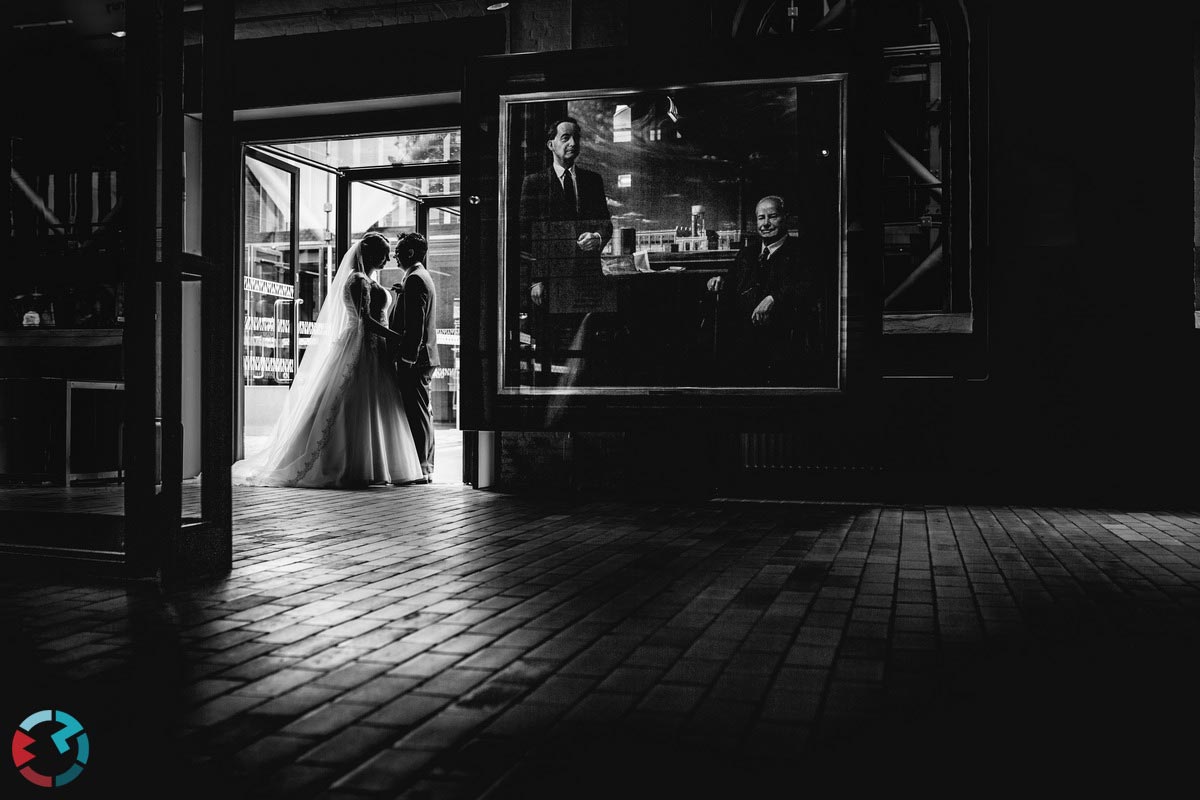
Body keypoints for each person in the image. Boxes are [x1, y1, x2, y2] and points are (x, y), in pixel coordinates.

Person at [231, 232, 423, 488]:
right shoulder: (357, 281)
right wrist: (395, 336)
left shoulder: (368, 281)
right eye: (383, 253)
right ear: (370, 254)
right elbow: (365, 320)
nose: (388, 258)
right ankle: (350, 463)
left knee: (375, 405)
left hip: (376, 350)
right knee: (355, 403)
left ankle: (378, 464)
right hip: (361, 347)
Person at [519, 116, 614, 383]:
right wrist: (536, 278)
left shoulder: (592, 181)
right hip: (550, 285)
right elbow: (525, 235)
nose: (572, 143)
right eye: (565, 138)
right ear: (551, 144)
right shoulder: (535, 183)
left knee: (585, 352)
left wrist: (597, 236)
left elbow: (606, 225)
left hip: (585, 282)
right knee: (550, 355)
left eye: (576, 138)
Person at [706, 195, 829, 385]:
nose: (765, 223)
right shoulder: (747, 254)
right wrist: (719, 281)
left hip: (783, 342)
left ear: (785, 218)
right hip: (743, 343)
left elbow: (809, 286)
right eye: (761, 218)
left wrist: (774, 299)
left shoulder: (802, 252)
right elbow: (731, 283)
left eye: (772, 216)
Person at [388, 232, 439, 484]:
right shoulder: (418, 277)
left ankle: (422, 467)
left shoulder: (416, 279)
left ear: (409, 253)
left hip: (416, 360)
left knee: (417, 413)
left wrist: (407, 357)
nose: (394, 257)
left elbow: (415, 324)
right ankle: (424, 465)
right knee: (421, 411)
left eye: (397, 252)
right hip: (422, 358)